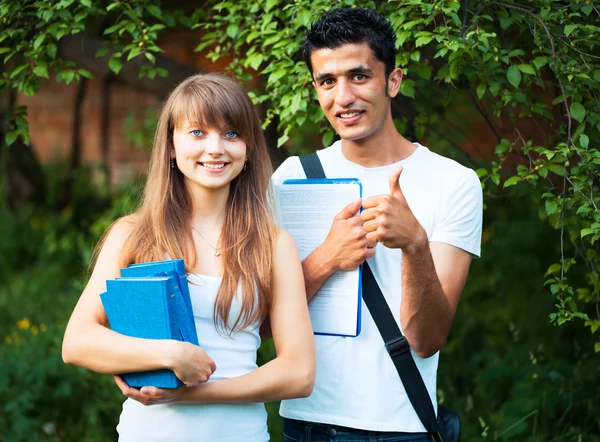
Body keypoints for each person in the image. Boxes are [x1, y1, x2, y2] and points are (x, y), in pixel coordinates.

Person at [62, 73, 316, 442]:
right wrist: (170, 354)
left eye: (231, 134)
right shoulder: (134, 235)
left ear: (248, 149)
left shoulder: (273, 244)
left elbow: (299, 372)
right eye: (197, 132)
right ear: (170, 145)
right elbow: (78, 342)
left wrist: (195, 393)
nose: (215, 148)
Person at [271, 8, 483, 442]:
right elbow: (258, 318)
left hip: (403, 429)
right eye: (327, 82)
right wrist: (328, 258)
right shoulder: (290, 177)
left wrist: (414, 244)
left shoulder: (453, 182)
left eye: (359, 76)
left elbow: (427, 340)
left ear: (393, 81)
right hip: (309, 425)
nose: (342, 96)